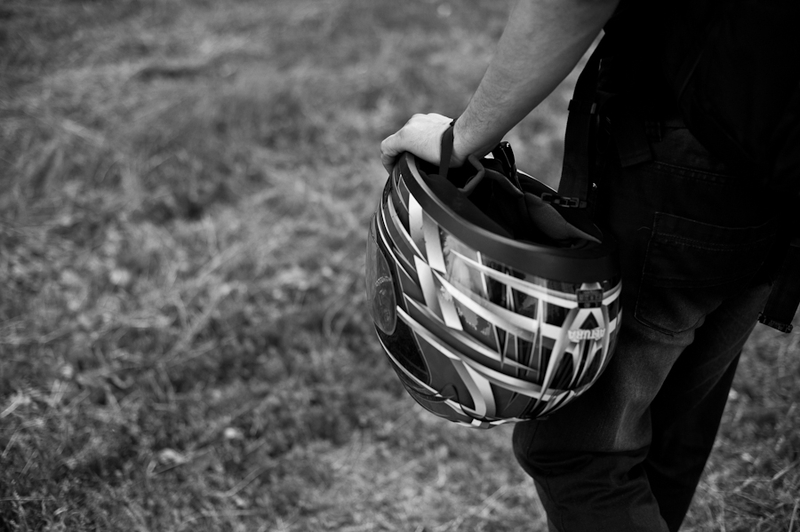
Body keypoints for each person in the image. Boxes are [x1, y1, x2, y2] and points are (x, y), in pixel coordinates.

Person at [380, 0, 785, 530]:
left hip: (685, 161)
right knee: (668, 419)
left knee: (578, 451)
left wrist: (461, 139)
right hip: (777, 156)